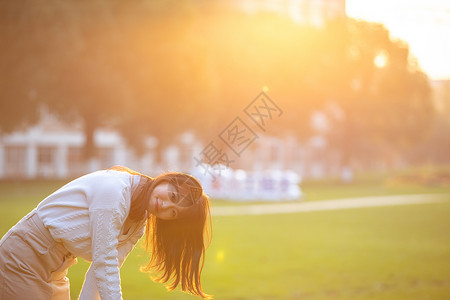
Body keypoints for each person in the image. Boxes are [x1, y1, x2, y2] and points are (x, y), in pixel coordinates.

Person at [0, 166, 212, 300]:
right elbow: (104, 262)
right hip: (23, 257)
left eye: (173, 213)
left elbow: (102, 272)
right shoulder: (115, 191)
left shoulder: (138, 223)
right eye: (172, 196)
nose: (164, 206)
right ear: (167, 180)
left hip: (56, 269)